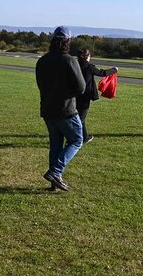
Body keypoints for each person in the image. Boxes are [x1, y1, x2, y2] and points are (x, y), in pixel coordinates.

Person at [35, 26, 86, 191]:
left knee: (55, 146)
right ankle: (56, 172)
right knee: (77, 140)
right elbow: (81, 88)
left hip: (47, 110)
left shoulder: (42, 61)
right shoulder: (70, 60)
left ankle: (54, 184)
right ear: (67, 41)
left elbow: (40, 85)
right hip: (66, 110)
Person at [75, 48, 118, 144]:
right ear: (87, 56)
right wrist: (114, 69)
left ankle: (82, 136)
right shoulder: (89, 67)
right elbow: (103, 73)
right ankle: (81, 138)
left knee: (78, 116)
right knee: (81, 118)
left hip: (74, 94)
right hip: (85, 95)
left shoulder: (74, 65)